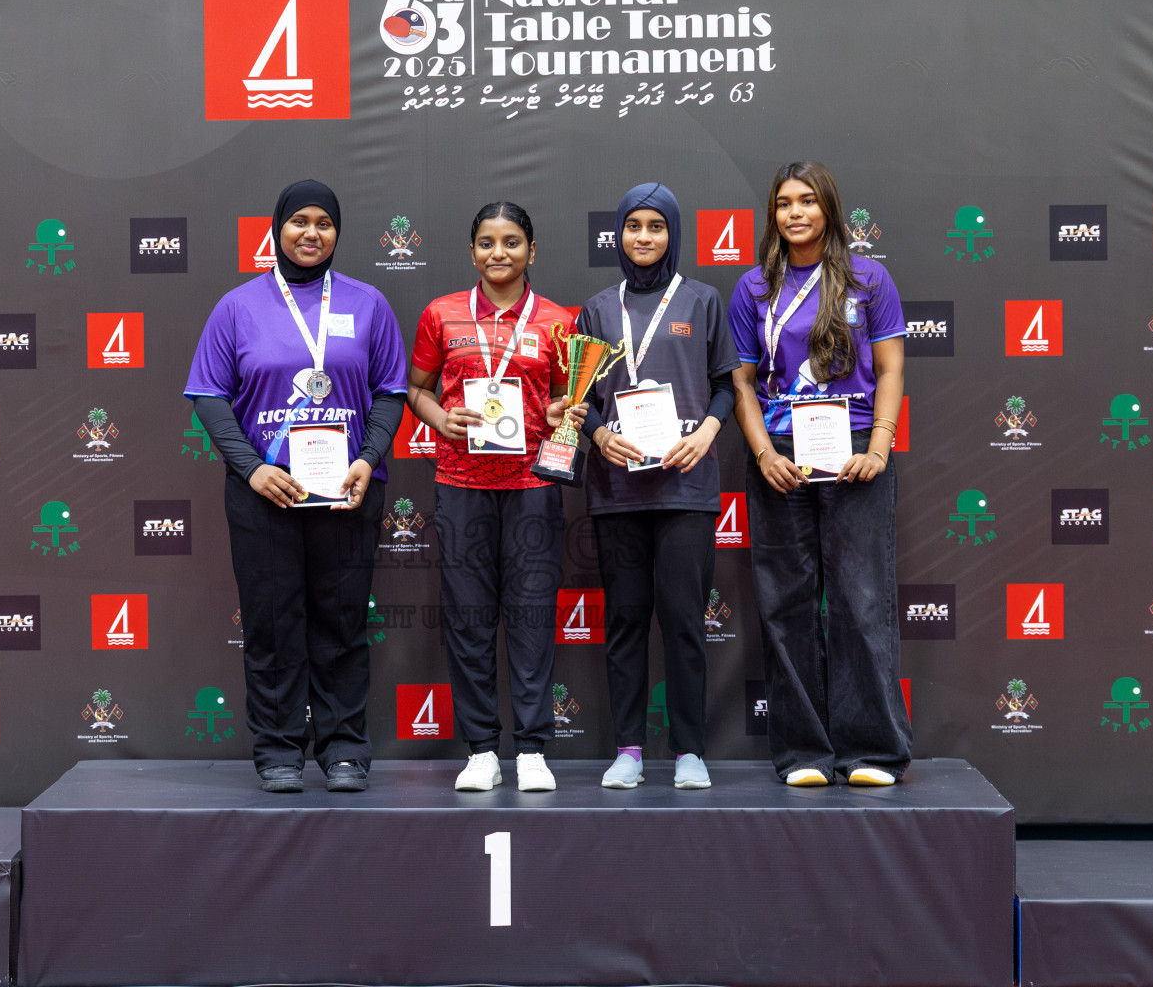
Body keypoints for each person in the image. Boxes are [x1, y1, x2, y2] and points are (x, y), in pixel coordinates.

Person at [185, 180, 408, 793]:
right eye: (299, 222)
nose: (312, 233)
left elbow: (391, 391)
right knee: (272, 622)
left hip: (346, 490)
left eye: (325, 223)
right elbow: (207, 394)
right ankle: (278, 749)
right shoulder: (238, 306)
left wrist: (368, 457)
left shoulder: (369, 304)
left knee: (340, 622)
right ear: (277, 228)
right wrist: (251, 468)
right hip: (265, 494)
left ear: (337, 232)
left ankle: (344, 748)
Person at [727, 161, 911, 788]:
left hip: (856, 448)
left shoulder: (869, 278)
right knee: (787, 603)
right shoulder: (753, 287)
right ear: (773, 214)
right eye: (783, 203)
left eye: (807, 201)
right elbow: (743, 384)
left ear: (829, 209)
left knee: (861, 601)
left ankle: (872, 751)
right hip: (782, 452)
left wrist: (880, 447)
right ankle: (803, 752)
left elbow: (889, 371)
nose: (795, 213)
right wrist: (762, 455)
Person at [407, 202, 577, 792]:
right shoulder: (442, 315)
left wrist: (560, 411)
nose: (497, 253)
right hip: (461, 484)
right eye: (485, 242)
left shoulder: (557, 320)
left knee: (531, 617)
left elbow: (565, 400)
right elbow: (416, 388)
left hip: (532, 486)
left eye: (510, 242)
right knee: (470, 618)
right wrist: (439, 418)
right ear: (471, 251)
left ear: (532, 251)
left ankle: (531, 748)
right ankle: (481, 748)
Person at [576, 183, 739, 791]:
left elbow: (727, 383)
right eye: (633, 227)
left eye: (656, 227)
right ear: (618, 235)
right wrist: (596, 434)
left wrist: (708, 435)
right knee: (624, 620)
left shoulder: (702, 301)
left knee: (683, 619)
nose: (643, 237)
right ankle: (629, 750)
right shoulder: (596, 309)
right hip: (617, 489)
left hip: (685, 486)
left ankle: (690, 752)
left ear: (673, 234)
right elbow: (579, 399)